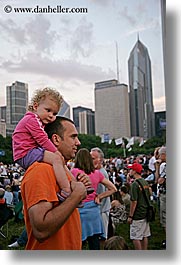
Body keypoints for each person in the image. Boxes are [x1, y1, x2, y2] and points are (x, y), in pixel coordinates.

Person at [21, 116, 91, 250]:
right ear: (56, 139)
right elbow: (41, 230)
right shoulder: (41, 170)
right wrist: (76, 195)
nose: (78, 142)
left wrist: (80, 187)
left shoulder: (61, 171)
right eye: (73, 137)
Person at [13, 88, 71, 202]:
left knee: (59, 161)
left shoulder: (37, 121)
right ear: (35, 106)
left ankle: (73, 182)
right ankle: (66, 191)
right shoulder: (31, 119)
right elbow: (42, 139)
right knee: (57, 159)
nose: (51, 116)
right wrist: (55, 152)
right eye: (48, 110)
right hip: (25, 153)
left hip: (28, 152)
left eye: (54, 113)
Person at [71, 148, 117, 250]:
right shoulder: (97, 173)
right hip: (94, 211)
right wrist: (99, 196)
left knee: (78, 243)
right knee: (95, 242)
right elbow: (113, 188)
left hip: (80, 210)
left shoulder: (74, 172)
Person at [90, 147, 112, 249]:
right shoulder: (96, 172)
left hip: (101, 210)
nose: (91, 161)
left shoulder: (101, 173)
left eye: (93, 158)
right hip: (100, 210)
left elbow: (106, 191)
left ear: (101, 160)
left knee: (102, 237)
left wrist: (98, 197)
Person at [127, 163, 151, 250]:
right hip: (145, 212)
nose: (129, 171)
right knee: (144, 235)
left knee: (135, 236)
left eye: (130, 169)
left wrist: (130, 216)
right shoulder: (144, 181)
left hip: (137, 214)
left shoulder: (134, 184)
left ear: (134, 171)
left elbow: (134, 201)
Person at [155, 146, 166, 248]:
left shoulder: (165, 166)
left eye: (159, 154)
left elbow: (158, 180)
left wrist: (158, 167)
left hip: (165, 195)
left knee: (165, 218)